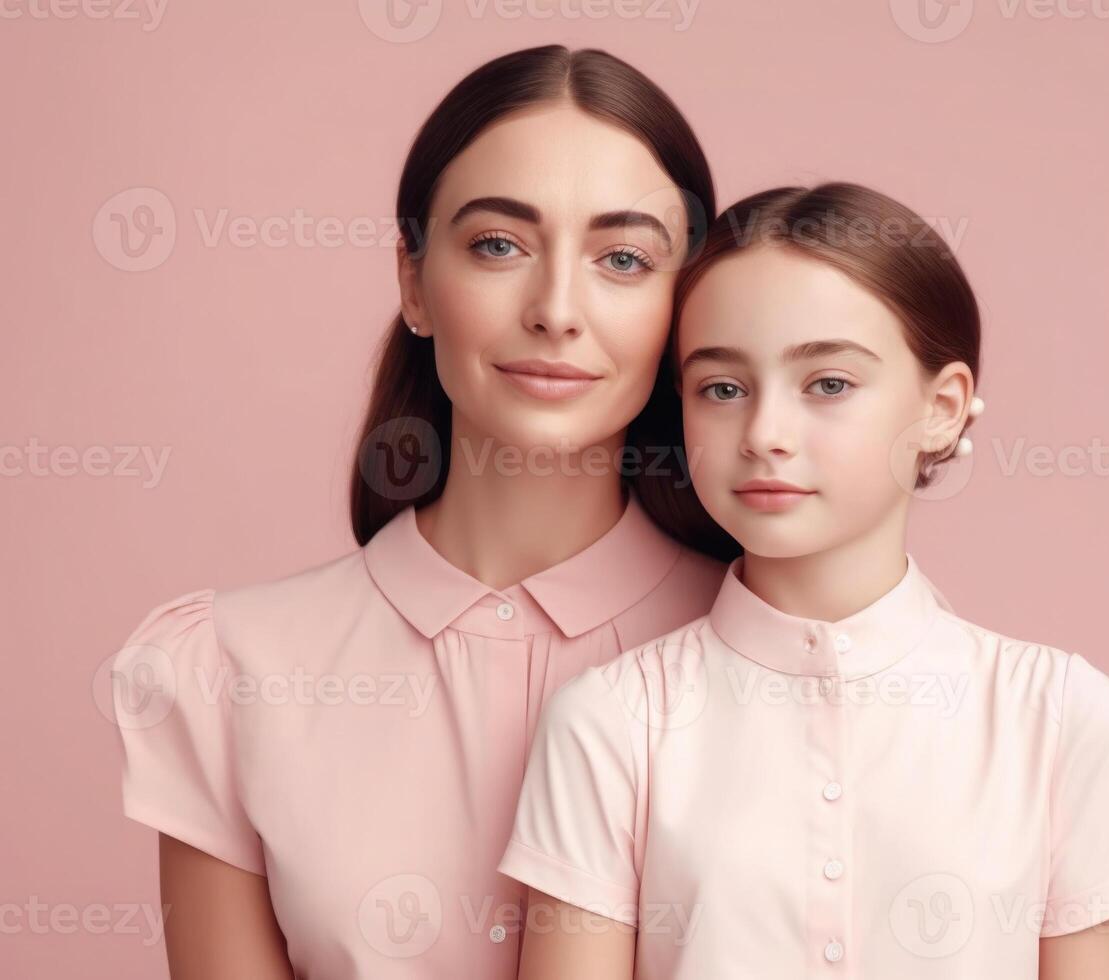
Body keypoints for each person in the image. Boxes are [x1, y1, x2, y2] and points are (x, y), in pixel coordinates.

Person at [110, 45, 733, 979]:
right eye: (498, 245)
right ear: (413, 282)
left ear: (686, 307)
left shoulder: (767, 651)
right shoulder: (230, 670)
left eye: (624, 258)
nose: (557, 309)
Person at [499, 183, 1109, 979]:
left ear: (944, 406)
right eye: (722, 389)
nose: (765, 435)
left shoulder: (1062, 720)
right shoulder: (609, 727)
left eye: (828, 383)